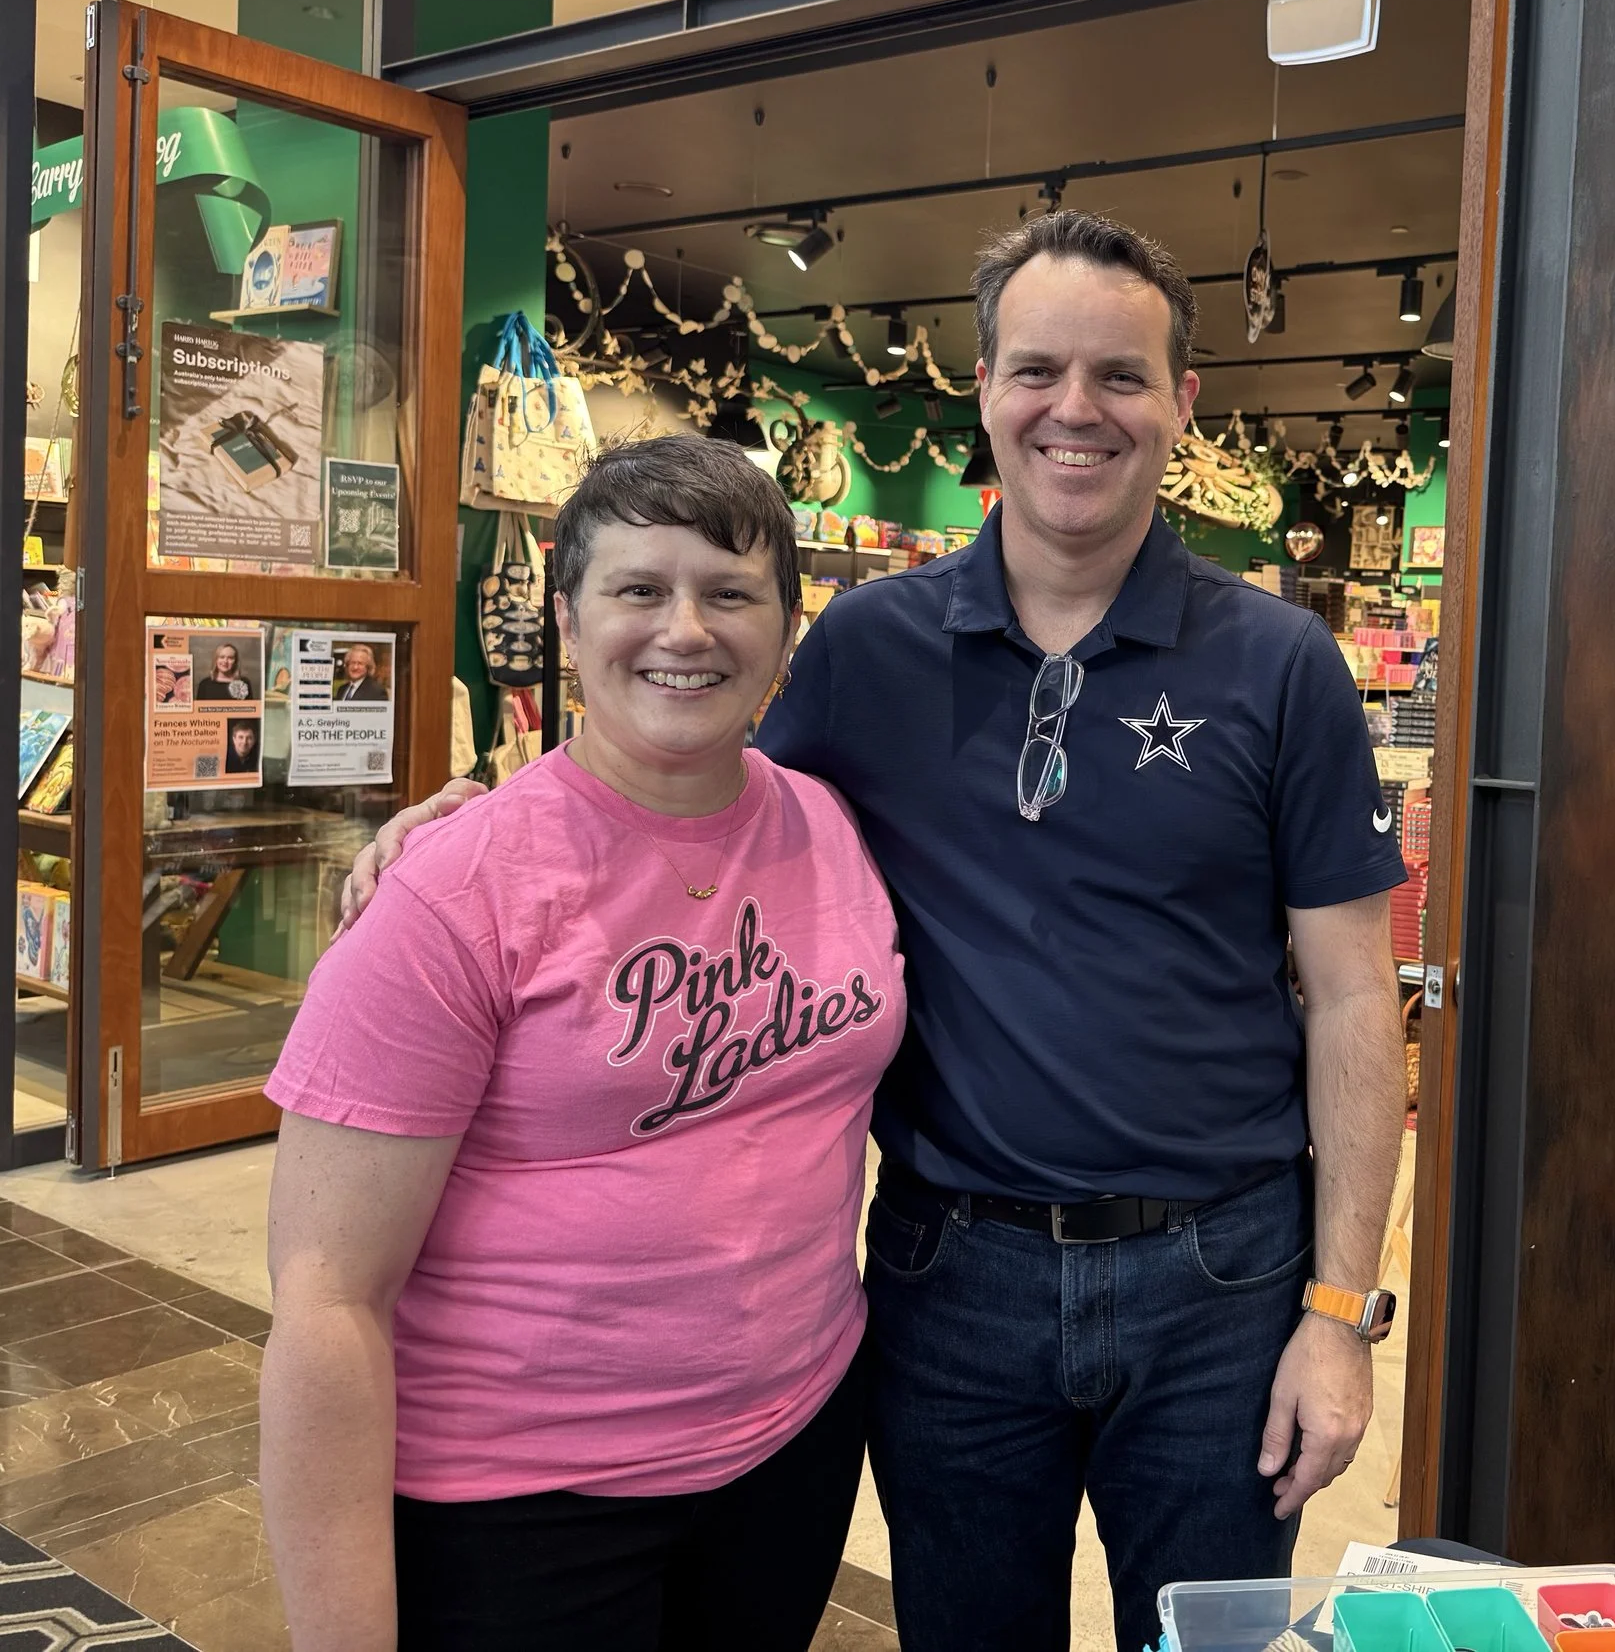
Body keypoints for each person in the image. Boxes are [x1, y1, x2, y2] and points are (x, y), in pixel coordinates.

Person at [345, 210, 1409, 1649]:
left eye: (1121, 374)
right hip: (947, 1274)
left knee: (1207, 1640)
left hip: (1218, 1281)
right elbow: (689, 777)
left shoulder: (1282, 664)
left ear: (1181, 405)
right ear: (983, 385)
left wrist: (1338, 1308)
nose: (1075, 408)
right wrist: (478, 817)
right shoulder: (864, 646)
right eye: (1038, 368)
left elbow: (1354, 997)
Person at [267, 435, 903, 1652]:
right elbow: (327, 1301)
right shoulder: (454, 890)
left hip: (794, 1443)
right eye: (638, 590)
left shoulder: (826, 820)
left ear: (784, 629)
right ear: (565, 617)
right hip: (526, 1501)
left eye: (730, 594)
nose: (687, 631)